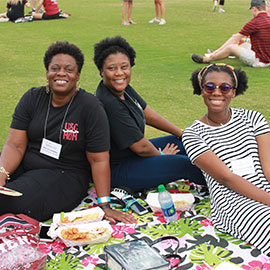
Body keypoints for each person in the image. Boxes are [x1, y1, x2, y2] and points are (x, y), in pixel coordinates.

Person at [0, 41, 135, 224]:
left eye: (69, 70)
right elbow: (15, 144)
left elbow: (99, 159)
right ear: (47, 72)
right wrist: (2, 174)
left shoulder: (90, 107)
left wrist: (105, 205)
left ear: (78, 75)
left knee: (12, 202)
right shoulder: (32, 98)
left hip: (65, 173)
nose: (61, 73)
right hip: (26, 163)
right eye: (55, 68)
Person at [93, 36, 205, 192]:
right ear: (101, 71)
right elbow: (141, 148)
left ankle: (234, 168)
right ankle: (229, 187)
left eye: (124, 67)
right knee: (184, 164)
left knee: (188, 142)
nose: (119, 73)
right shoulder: (108, 102)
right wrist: (161, 155)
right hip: (118, 169)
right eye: (112, 68)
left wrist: (181, 133)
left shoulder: (123, 88)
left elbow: (148, 115)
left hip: (133, 155)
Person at [182, 63, 270, 255]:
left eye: (225, 87)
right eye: (210, 87)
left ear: (234, 92)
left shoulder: (253, 118)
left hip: (264, 188)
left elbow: (268, 168)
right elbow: (226, 178)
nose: (217, 92)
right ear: (201, 89)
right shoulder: (193, 134)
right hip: (233, 202)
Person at [191, 0, 270, 68]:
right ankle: (224, 54)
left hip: (260, 61)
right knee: (244, 44)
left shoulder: (254, 22)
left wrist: (215, 52)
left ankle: (207, 59)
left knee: (231, 47)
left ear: (254, 9)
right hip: (267, 57)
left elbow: (235, 39)